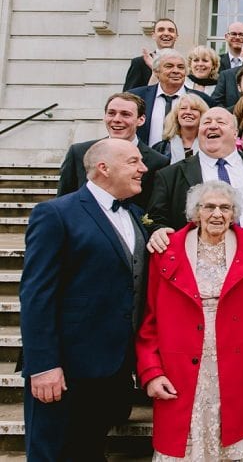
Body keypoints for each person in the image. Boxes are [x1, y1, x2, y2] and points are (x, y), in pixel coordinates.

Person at [21, 139, 149, 461]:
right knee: (53, 453)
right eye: (134, 161)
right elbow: (37, 294)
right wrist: (44, 365)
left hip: (110, 369)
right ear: (103, 168)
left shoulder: (134, 215)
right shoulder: (55, 214)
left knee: (89, 450)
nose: (143, 168)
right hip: (62, 369)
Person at [136, 181, 243, 461]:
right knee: (183, 443)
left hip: (237, 363)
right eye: (208, 206)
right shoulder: (167, 246)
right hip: (179, 365)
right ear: (195, 212)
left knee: (230, 439)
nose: (217, 214)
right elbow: (150, 316)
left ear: (234, 213)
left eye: (225, 207)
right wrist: (151, 371)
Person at [146, 107, 243, 273]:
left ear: (235, 133)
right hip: (197, 275)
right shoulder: (170, 175)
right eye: (206, 122)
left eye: (220, 122)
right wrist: (158, 230)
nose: (212, 126)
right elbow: (155, 218)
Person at [58, 92, 169, 209]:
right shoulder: (79, 152)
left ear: (140, 120)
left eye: (125, 114)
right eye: (111, 113)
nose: (116, 119)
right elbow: (63, 201)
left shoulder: (158, 161)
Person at [130, 49, 209, 146]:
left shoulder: (203, 100)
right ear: (156, 71)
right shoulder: (136, 97)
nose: (176, 71)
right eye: (169, 66)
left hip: (186, 159)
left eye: (180, 67)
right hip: (144, 158)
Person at [152, 93, 209, 164]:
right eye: (183, 108)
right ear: (176, 115)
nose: (188, 112)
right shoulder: (161, 148)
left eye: (194, 109)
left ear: (202, 115)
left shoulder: (211, 145)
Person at [123, 17, 179, 91]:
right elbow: (128, 95)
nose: (166, 33)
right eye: (161, 30)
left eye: (171, 30)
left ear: (176, 37)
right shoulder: (140, 62)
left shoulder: (184, 64)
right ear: (153, 35)